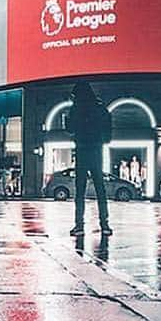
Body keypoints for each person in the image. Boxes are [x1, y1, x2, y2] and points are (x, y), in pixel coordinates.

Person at [66, 81, 112, 237]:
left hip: (81, 150)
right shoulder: (100, 109)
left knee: (80, 190)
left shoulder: (76, 108)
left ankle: (79, 225)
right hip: (96, 150)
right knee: (100, 188)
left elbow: (70, 129)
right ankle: (104, 224)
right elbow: (108, 133)